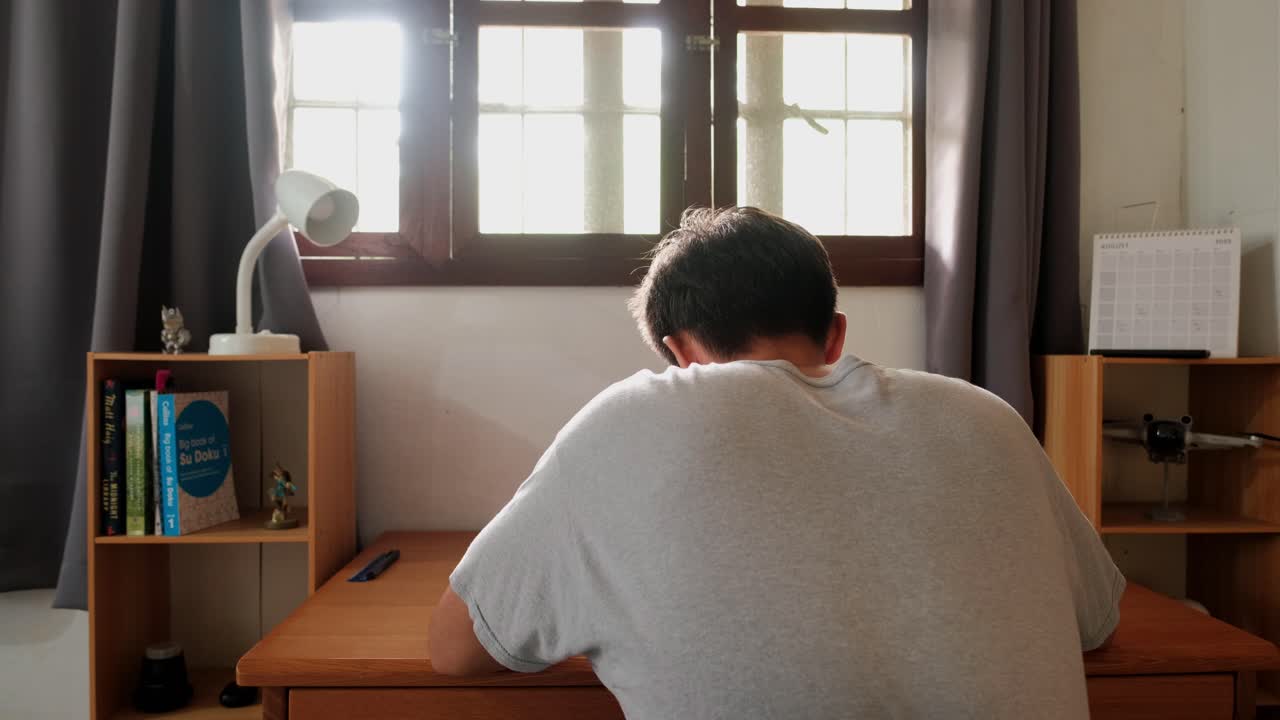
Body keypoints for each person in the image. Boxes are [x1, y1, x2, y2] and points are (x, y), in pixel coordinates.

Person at [428, 207, 1124, 719]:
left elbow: (457, 648)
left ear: (679, 352)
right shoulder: (987, 416)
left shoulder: (632, 421)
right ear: (836, 334)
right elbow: (1095, 622)